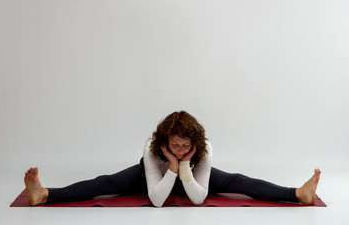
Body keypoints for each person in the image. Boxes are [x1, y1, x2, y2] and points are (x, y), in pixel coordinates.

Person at [24, 111, 321, 207]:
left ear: (194, 143)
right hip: (154, 174)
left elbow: (197, 199)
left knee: (237, 181)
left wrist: (185, 168)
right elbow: (156, 199)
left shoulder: (204, 151)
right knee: (108, 182)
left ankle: (298, 194)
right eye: (174, 144)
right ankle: (45, 194)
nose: (179, 149)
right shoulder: (151, 149)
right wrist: (172, 167)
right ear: (164, 141)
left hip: (191, 175)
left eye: (185, 145)